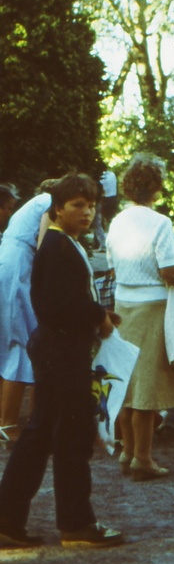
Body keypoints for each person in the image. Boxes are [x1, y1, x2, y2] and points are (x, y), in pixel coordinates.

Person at [0, 173, 124, 549]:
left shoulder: (61, 243)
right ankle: (75, 525)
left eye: (90, 206)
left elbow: (65, 300)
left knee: (39, 437)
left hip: (56, 349)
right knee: (71, 438)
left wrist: (94, 314)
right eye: (77, 206)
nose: (86, 213)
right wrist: (98, 318)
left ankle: (6, 522)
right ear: (57, 209)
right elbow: (60, 306)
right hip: (62, 351)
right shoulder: (56, 246)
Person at [106, 154, 174, 481]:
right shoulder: (160, 222)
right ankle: (143, 458)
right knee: (148, 385)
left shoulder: (117, 221)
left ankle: (126, 451)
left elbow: (111, 264)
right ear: (156, 186)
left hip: (123, 303)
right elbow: (167, 270)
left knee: (127, 379)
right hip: (153, 306)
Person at [0, 180, 55, 444]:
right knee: (21, 343)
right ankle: (8, 424)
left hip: (11, 263)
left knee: (13, 342)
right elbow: (46, 246)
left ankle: (12, 419)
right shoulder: (49, 202)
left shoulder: (36, 203)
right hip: (18, 266)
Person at [92, 167, 118, 251]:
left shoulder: (101, 178)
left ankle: (100, 244)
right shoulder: (112, 175)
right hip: (113, 198)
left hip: (104, 199)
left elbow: (102, 189)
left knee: (98, 222)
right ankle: (110, 243)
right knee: (108, 221)